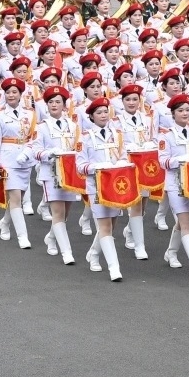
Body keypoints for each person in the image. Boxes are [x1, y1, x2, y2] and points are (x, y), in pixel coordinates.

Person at [75, 97, 126, 281]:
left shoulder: (117, 134)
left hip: (115, 185)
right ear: (92, 116)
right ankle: (114, 268)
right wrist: (97, 167)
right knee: (104, 226)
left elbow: (123, 156)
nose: (103, 115)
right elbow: (80, 166)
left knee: (111, 225)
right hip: (96, 186)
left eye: (105, 112)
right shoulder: (85, 138)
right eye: (99, 113)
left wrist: (119, 164)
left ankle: (94, 254)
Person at [27, 86, 80, 265]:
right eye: (51, 102)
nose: (54, 105)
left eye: (58, 102)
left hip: (69, 174)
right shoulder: (41, 127)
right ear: (47, 105)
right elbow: (35, 150)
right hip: (50, 173)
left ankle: (51, 237)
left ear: (64, 105)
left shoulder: (73, 126)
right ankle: (67, 252)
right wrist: (48, 154)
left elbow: (78, 147)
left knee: (65, 214)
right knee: (57, 213)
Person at [158, 93, 189, 277]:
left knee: (183, 221)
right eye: (180, 110)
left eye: (187, 110)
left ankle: (171, 252)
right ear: (173, 114)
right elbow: (163, 162)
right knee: (187, 223)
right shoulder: (166, 136)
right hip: (175, 185)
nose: (185, 113)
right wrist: (181, 160)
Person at [0, 77, 34, 249]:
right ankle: (23, 237)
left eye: (14, 92)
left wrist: (28, 153)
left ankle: (5, 223)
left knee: (18, 197)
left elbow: (34, 137)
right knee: (15, 198)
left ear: (21, 94)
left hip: (25, 160)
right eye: (8, 92)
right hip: (7, 160)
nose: (11, 95)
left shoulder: (30, 114)